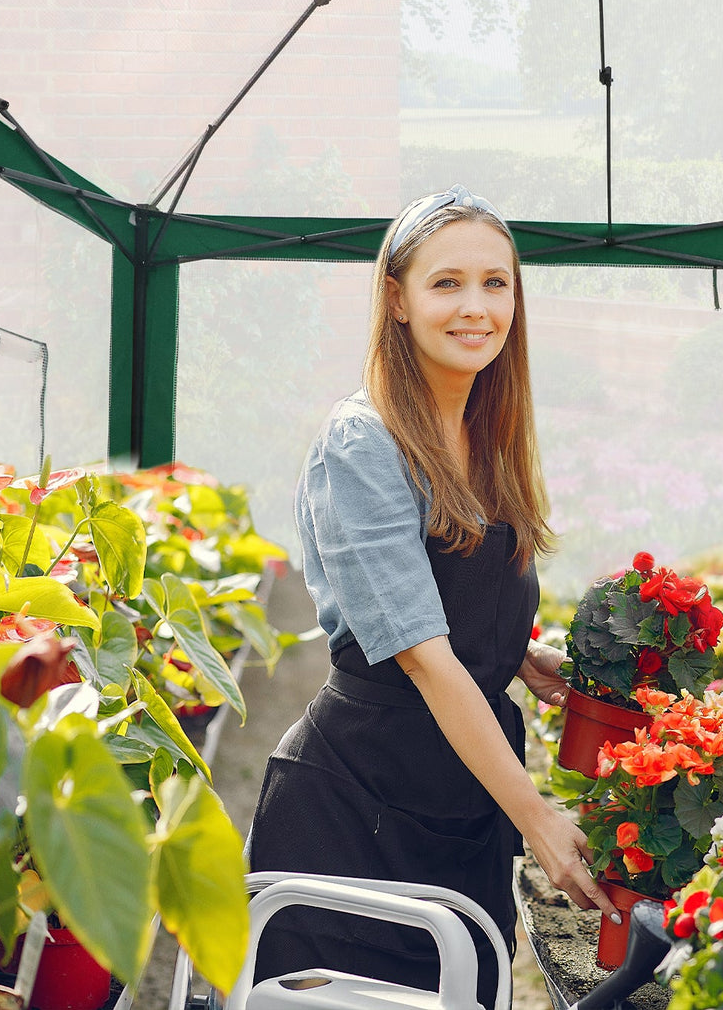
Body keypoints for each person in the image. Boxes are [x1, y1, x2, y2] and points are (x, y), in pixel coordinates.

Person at [248, 185, 617, 1003]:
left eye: (496, 283)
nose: (476, 307)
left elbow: (443, 597)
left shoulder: (486, 432)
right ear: (397, 299)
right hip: (355, 806)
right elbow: (420, 656)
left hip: (458, 801)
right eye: (447, 282)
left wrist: (513, 655)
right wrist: (538, 820)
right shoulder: (363, 441)